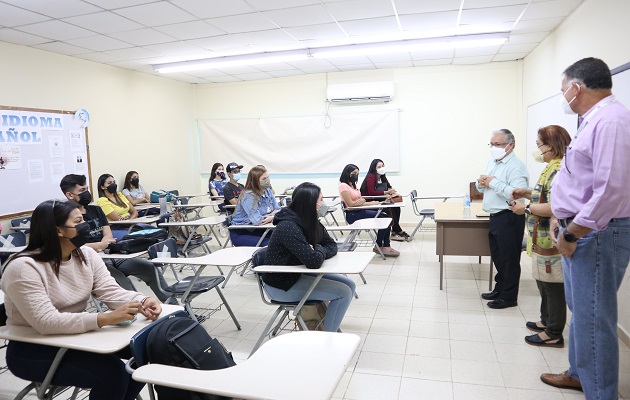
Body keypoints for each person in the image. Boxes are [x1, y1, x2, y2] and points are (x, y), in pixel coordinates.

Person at [0, 200, 162, 400]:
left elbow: (110, 291)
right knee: (114, 374)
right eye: (78, 221)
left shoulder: (85, 254)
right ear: (58, 231)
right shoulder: (23, 267)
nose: (86, 225)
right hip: (34, 350)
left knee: (149, 352)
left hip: (75, 338)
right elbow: (45, 322)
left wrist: (143, 301)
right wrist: (103, 319)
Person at [540, 57, 630, 399]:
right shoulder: (594, 120)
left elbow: (612, 189)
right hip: (582, 230)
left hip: (594, 234)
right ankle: (580, 374)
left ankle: (599, 392)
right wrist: (558, 215)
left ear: (576, 87)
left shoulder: (610, 121)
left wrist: (572, 231)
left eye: (564, 90)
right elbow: (583, 180)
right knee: (583, 311)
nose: (564, 96)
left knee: (594, 318)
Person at [255, 182, 356, 333]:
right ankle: (329, 337)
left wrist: (316, 249)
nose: (324, 204)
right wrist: (318, 251)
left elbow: (331, 245)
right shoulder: (288, 226)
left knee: (350, 284)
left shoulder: (310, 220)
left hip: (297, 274)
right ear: (310, 203)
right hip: (282, 285)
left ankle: (327, 327)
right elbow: (314, 262)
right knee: (344, 293)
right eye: (321, 200)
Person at [60, 174, 176, 304]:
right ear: (70, 195)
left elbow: (108, 233)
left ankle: (177, 310)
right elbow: (73, 245)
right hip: (92, 261)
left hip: (112, 253)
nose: (87, 193)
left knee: (149, 269)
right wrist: (100, 245)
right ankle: (143, 313)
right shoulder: (66, 218)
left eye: (87, 189)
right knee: (121, 281)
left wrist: (104, 243)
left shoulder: (96, 210)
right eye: (82, 191)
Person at [509, 125, 571, 347]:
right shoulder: (549, 167)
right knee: (543, 281)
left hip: (551, 237)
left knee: (553, 284)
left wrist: (525, 208)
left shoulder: (559, 170)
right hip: (540, 236)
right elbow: (542, 194)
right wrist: (526, 192)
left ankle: (554, 332)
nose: (538, 151)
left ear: (552, 146)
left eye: (539, 146)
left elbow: (557, 206)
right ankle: (546, 321)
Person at [477, 129, 528, 309]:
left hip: (509, 216)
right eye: (491, 144)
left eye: (497, 144)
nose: (493, 147)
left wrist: (492, 182)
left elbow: (517, 193)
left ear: (510, 145)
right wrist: (481, 182)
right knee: (499, 257)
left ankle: (509, 297)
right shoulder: (493, 162)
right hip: (495, 216)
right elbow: (484, 187)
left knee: (509, 259)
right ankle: (500, 288)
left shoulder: (516, 166)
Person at [339, 163, 400, 257]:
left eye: (357, 173)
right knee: (386, 218)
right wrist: (362, 200)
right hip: (353, 215)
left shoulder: (354, 186)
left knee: (387, 217)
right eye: (354, 173)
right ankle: (379, 245)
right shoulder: (343, 186)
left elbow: (361, 202)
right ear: (347, 173)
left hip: (360, 210)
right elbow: (351, 204)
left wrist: (377, 203)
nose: (356, 175)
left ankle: (386, 245)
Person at [229, 165, 280, 247]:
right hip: (243, 232)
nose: (267, 180)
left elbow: (278, 209)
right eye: (264, 179)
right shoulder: (249, 195)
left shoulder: (267, 190)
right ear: (255, 181)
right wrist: (272, 216)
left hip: (261, 229)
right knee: (274, 245)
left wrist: (271, 217)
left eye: (268, 177)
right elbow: (257, 221)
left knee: (284, 238)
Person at [360, 158, 409, 241]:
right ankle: (397, 230)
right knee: (389, 208)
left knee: (396, 208)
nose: (381, 168)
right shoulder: (371, 177)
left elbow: (388, 187)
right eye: (379, 167)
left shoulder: (382, 177)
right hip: (370, 201)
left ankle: (395, 230)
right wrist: (387, 192)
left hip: (380, 199)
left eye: (383, 166)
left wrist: (392, 192)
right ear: (374, 168)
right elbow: (372, 192)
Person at [96, 173, 138, 240]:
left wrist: (130, 220)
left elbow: (134, 211)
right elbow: (118, 219)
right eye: (109, 183)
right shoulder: (102, 201)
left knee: (153, 230)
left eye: (114, 182)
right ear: (102, 187)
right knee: (139, 236)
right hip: (116, 227)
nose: (113, 184)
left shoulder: (119, 195)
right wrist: (130, 219)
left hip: (131, 224)